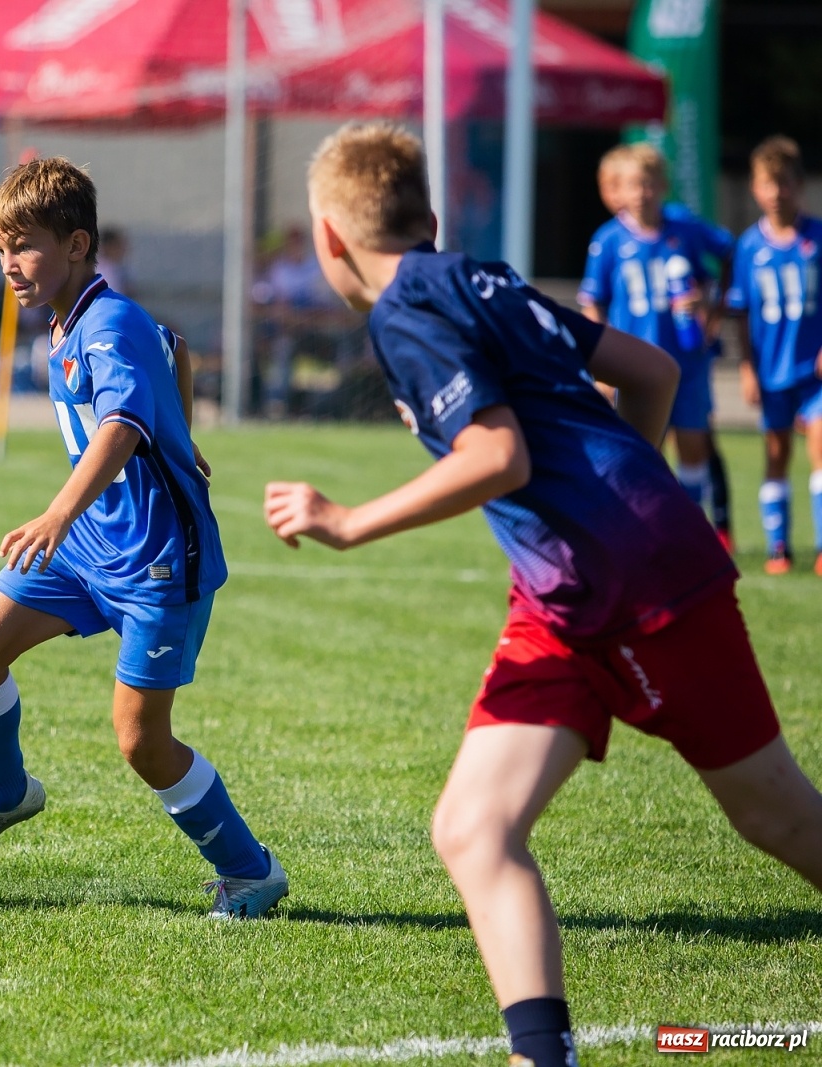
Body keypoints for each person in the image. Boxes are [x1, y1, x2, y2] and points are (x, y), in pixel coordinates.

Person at [266, 121, 822, 1067]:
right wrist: (621, 494)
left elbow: (497, 454)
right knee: (473, 827)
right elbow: (652, 371)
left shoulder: (403, 311)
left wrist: (348, 518)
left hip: (630, 584)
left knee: (775, 816)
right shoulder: (481, 277)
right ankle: (542, 1055)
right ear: (429, 219)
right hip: (571, 593)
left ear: (328, 238)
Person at [0, 157, 287, 919]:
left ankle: (251, 871)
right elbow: (177, 347)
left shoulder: (108, 321)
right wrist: (186, 433)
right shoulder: (78, 318)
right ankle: (4, 798)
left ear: (77, 243)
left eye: (24, 246)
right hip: (89, 549)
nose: (10, 265)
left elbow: (122, 425)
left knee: (141, 741)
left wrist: (59, 511)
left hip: (158, 561)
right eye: (1, 249)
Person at [595, 147, 738, 551]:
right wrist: (599, 362)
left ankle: (689, 530)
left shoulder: (684, 229)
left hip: (686, 361)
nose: (641, 193)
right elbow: (594, 301)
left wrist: (711, 310)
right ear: (620, 191)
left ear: (663, 186)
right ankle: (638, 532)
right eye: (633, 185)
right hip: (633, 367)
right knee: (639, 448)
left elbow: (729, 256)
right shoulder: (608, 240)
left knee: (694, 443)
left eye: (649, 184)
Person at [725, 136, 822, 576]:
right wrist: (746, 368)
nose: (777, 192)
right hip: (770, 371)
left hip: (814, 372)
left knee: (820, 446)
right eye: (769, 183)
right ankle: (778, 547)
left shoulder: (816, 239)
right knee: (776, 452)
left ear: (799, 186)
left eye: (785, 183)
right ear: (755, 189)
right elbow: (740, 313)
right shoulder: (748, 247)